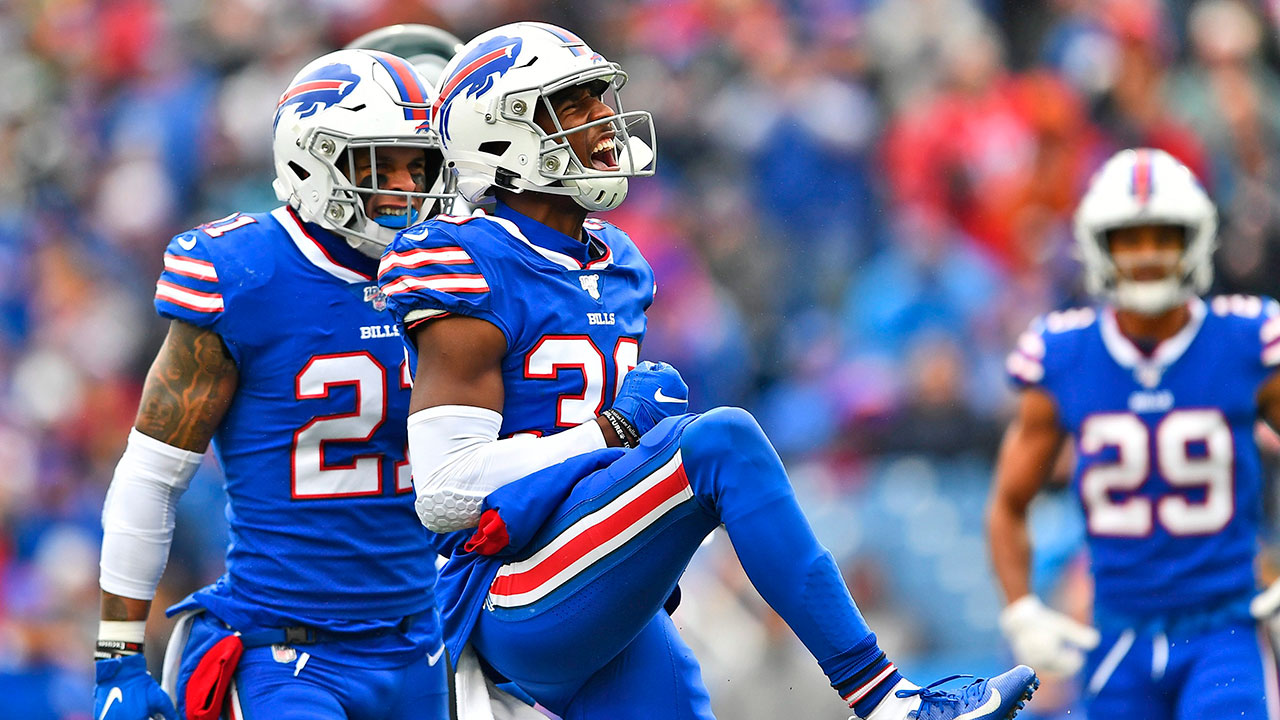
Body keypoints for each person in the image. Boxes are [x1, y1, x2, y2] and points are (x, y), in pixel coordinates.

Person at [377, 21, 1039, 720]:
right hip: (509, 588)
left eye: (599, 98)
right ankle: (886, 699)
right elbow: (444, 492)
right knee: (720, 441)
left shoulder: (619, 263)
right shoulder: (467, 260)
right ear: (498, 136)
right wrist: (613, 431)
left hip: (599, 578)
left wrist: (623, 445)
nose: (602, 120)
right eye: (572, 106)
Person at [92, 48, 456, 720]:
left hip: (419, 645)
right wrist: (118, 653)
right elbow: (152, 472)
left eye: (419, 166)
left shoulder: (451, 272)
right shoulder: (244, 272)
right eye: (378, 166)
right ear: (311, 161)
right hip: (285, 654)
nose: (406, 188)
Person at [988, 147, 1280, 718]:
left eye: (1164, 236)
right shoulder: (1063, 354)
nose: (1147, 254)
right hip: (1116, 634)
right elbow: (1009, 502)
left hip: (1224, 627)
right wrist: (1021, 609)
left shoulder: (1246, 339)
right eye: (1129, 239)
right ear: (1099, 247)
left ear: (1194, 240)